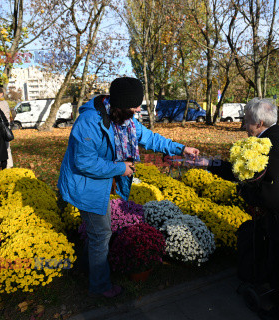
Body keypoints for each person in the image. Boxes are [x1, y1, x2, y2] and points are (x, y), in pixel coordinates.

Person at [57, 77, 199, 298]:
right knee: (101, 234)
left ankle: (86, 268)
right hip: (85, 185)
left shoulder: (127, 121)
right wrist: (119, 168)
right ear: (120, 104)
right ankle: (100, 287)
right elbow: (84, 162)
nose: (138, 108)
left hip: (101, 182)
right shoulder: (89, 122)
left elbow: (150, 138)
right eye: (135, 105)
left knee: (97, 233)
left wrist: (181, 149)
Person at [195, 98, 279, 319]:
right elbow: (243, 170)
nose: (243, 125)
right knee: (278, 260)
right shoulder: (268, 139)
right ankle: (278, 294)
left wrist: (244, 193)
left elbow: (273, 197)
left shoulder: (274, 146)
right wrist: (210, 164)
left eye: (246, 121)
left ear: (259, 123)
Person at [0, 87, 14, 168]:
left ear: (1, 94)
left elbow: (4, 117)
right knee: (5, 147)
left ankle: (8, 165)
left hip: (3, 128)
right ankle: (8, 164)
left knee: (6, 147)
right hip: (2, 127)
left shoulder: (2, 103)